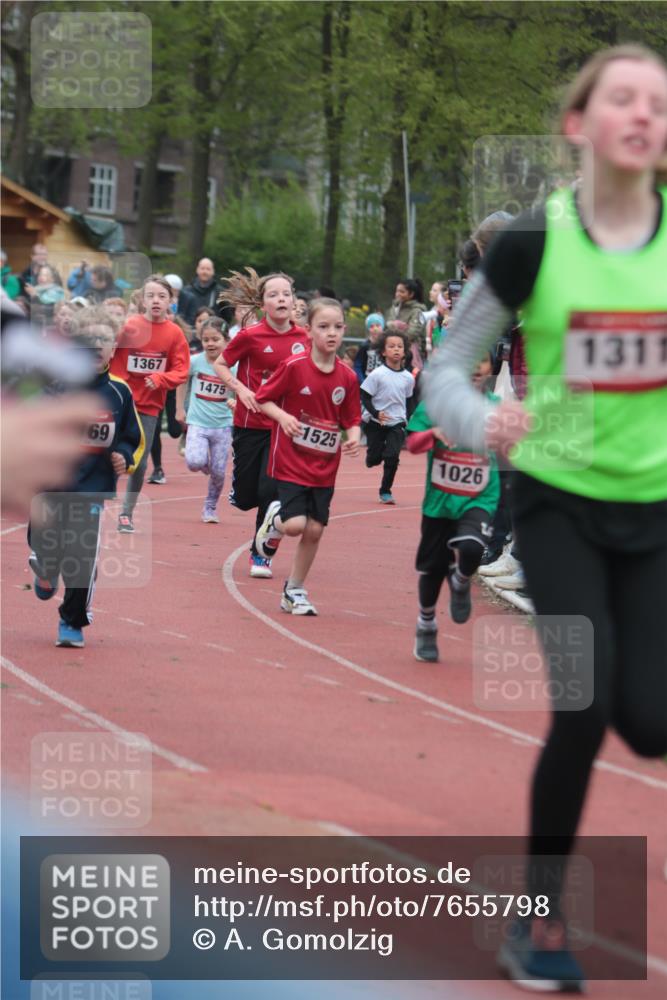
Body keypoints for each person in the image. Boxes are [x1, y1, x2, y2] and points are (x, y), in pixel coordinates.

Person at [425, 44, 667, 993]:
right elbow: (447, 368)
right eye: (623, 98)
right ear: (578, 125)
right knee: (585, 702)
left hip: (656, 508)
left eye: (659, 101)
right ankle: (537, 919)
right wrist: (486, 421)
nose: (643, 113)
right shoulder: (531, 243)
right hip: (558, 500)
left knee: (649, 726)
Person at [27, 306, 144, 648]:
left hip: (92, 488)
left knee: (83, 554)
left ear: (113, 348)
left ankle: (72, 620)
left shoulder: (120, 392)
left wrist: (124, 456)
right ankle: (47, 569)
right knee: (45, 546)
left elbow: (132, 437)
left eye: (103, 340)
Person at [253, 297, 361, 615]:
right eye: (324, 327)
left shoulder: (348, 377)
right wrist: (283, 418)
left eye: (338, 327)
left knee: (314, 530)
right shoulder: (294, 367)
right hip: (290, 461)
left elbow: (352, 418)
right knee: (296, 525)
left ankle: (294, 590)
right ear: (309, 331)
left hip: (325, 467)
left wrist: (353, 438)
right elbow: (263, 399)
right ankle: (276, 519)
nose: (332, 333)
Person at [212, 268, 309, 578]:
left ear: (293, 301)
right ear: (263, 303)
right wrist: (240, 389)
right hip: (249, 422)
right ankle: (240, 493)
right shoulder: (250, 336)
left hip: (284, 427)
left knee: (270, 491)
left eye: (286, 294)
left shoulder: (304, 337)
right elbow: (221, 363)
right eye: (274, 294)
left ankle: (261, 554)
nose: (281, 299)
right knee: (246, 496)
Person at [407, 353, 499, 662]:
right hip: (440, 501)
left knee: (472, 549)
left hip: (481, 495)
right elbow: (413, 444)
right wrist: (432, 434)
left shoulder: (498, 407)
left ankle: (461, 580)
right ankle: (426, 624)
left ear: (491, 367)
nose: (474, 366)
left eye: (482, 360)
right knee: (433, 569)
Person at [110, 274, 190, 531]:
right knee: (108, 455)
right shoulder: (129, 326)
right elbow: (107, 354)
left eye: (162, 296)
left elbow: (181, 370)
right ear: (142, 300)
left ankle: (126, 513)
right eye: (151, 296)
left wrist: (161, 378)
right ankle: (96, 500)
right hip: (121, 404)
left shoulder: (174, 333)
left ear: (170, 301)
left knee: (140, 463)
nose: (156, 301)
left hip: (149, 407)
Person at [176, 319, 234, 523]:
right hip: (198, 422)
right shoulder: (196, 361)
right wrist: (179, 409)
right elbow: (182, 380)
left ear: (227, 340)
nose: (210, 344)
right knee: (194, 462)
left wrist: (235, 401)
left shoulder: (234, 365)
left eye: (215, 339)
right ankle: (204, 464)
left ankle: (210, 506)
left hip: (224, 425)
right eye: (205, 339)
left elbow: (241, 389)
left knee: (219, 473)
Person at [360, 327, 415, 504]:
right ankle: (372, 457)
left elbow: (408, 400)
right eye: (391, 346)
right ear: (383, 352)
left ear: (405, 351)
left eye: (400, 346)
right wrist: (376, 413)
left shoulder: (408, 378)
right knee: (375, 458)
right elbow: (365, 396)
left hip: (397, 421)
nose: (396, 349)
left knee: (392, 456)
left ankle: (385, 491)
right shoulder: (377, 375)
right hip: (375, 421)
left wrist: (410, 418)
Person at [386, 278, 427, 365]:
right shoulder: (395, 307)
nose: (398, 294)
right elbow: (388, 325)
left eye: (402, 291)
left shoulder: (417, 310)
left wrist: (395, 327)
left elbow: (412, 333)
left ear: (411, 294)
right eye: (397, 291)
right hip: (393, 353)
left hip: (410, 355)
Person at [353, 312, 385, 384]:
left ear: (382, 327)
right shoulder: (364, 346)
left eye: (378, 325)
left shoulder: (386, 345)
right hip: (367, 381)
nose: (375, 329)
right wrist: (362, 381)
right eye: (372, 326)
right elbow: (358, 365)